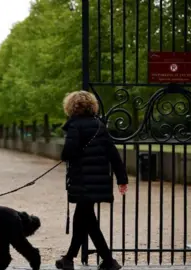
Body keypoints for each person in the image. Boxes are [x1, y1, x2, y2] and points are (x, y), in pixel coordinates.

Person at [55, 91, 128, 270]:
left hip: (82, 180)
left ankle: (108, 260)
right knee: (84, 219)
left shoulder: (74, 126)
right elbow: (113, 154)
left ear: (71, 106)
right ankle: (70, 258)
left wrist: (66, 154)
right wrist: (122, 178)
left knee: (87, 220)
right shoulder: (99, 125)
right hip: (98, 180)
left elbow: (68, 152)